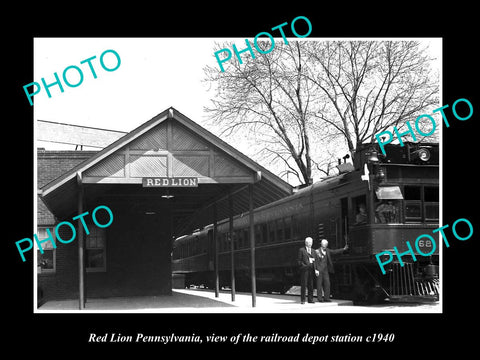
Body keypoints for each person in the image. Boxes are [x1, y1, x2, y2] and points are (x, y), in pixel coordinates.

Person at [297, 237, 318, 304]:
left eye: (311, 242)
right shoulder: (301, 250)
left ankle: (310, 299)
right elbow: (299, 261)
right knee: (304, 285)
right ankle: (303, 300)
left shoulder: (314, 251)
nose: (311, 244)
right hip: (305, 271)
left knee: (311, 285)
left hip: (311, 270)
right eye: (309, 242)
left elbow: (316, 261)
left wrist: (316, 270)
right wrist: (304, 266)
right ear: (306, 243)